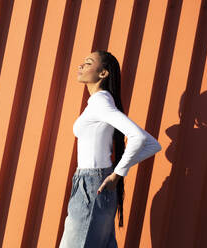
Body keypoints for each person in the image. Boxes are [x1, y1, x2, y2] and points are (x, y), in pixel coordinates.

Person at [59, 50, 162, 248]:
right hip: (95, 183)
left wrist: (117, 173)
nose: (81, 66)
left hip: (91, 184)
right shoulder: (100, 102)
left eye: (88, 63)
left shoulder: (100, 102)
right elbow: (152, 144)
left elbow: (141, 139)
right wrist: (115, 172)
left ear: (103, 73)